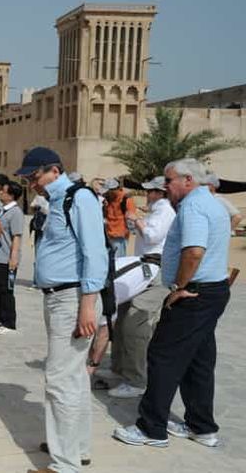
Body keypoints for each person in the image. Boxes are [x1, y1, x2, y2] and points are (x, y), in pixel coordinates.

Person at [114, 158, 231, 448]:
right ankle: (201, 427)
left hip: (193, 294)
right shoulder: (214, 202)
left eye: (169, 181)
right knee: (199, 361)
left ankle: (151, 428)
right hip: (211, 291)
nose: (165, 187)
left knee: (162, 356)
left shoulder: (193, 206)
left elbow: (193, 252)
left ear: (188, 180)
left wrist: (178, 287)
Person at [15, 147, 107, 473]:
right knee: (74, 379)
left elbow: (95, 253)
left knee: (59, 380)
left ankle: (64, 464)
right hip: (57, 297)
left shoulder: (78, 198)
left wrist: (87, 306)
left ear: (54, 170)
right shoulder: (56, 200)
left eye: (34, 176)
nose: (31, 183)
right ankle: (75, 448)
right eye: (27, 178)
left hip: (71, 298)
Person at [99, 176, 175, 399]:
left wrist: (136, 219)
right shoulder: (158, 210)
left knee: (135, 323)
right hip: (145, 267)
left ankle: (136, 379)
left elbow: (152, 236)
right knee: (122, 316)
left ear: (159, 193)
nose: (147, 195)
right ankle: (120, 368)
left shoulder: (165, 209)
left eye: (151, 191)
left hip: (156, 270)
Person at [0, 181, 24, 334]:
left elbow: (16, 236)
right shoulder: (2, 209)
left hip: (6, 257)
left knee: (6, 290)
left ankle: (9, 322)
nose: (0, 192)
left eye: (4, 191)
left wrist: (13, 257)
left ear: (11, 195)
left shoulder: (16, 212)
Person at [102, 178, 136, 258]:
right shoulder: (107, 200)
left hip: (119, 238)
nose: (105, 193)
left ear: (114, 190)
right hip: (108, 236)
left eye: (108, 191)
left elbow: (131, 220)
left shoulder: (126, 200)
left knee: (117, 263)